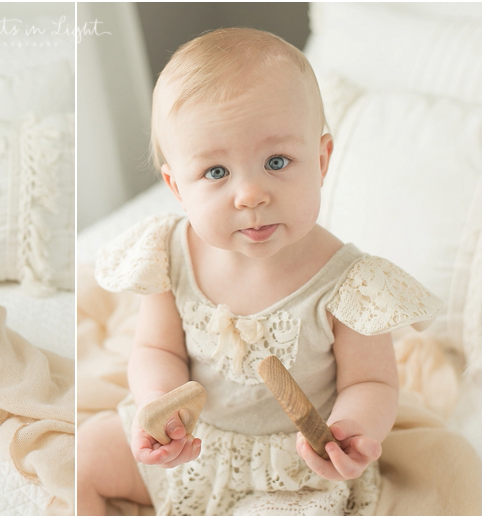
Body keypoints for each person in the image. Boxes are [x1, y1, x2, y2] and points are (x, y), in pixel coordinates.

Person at [77, 28, 442, 515]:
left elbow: (370, 384)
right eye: (215, 172)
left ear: (320, 159)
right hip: (196, 444)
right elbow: (155, 348)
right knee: (82, 458)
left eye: (276, 161)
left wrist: (350, 432)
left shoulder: (351, 283)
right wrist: (158, 407)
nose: (249, 194)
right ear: (177, 186)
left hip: (294, 468)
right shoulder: (169, 252)